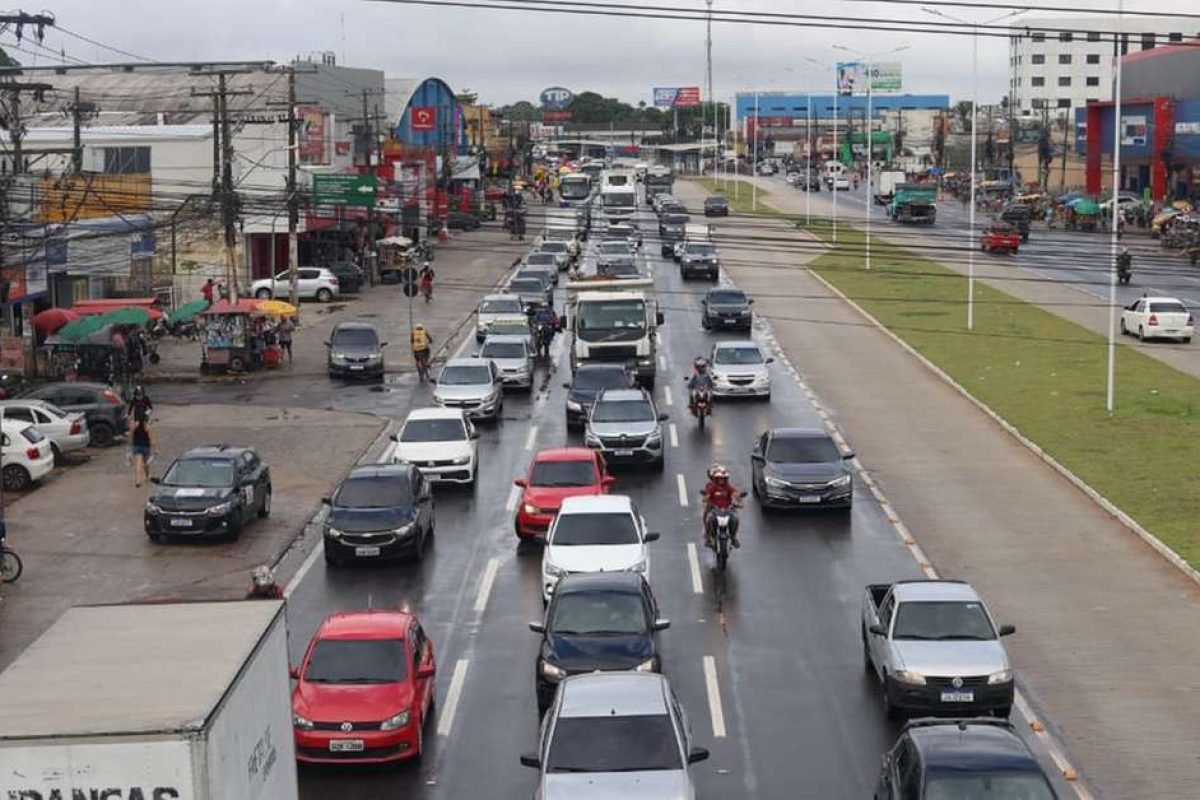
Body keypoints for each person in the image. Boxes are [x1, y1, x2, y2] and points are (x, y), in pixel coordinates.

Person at [701, 464, 742, 549]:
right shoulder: (712, 487)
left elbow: (734, 494)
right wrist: (706, 500)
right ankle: (708, 537)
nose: (721, 481)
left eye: (723, 479)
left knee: (735, 519)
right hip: (715, 510)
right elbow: (707, 495)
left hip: (727, 510)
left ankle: (733, 537)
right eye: (719, 479)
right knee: (709, 519)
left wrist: (737, 501)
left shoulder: (728, 487)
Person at [128, 415, 156, 488]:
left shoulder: (135, 426)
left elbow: (131, 436)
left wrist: (130, 446)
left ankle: (138, 480)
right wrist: (155, 448)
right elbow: (151, 439)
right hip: (146, 447)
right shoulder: (147, 427)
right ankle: (147, 476)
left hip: (137, 446)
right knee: (146, 463)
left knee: (138, 464)